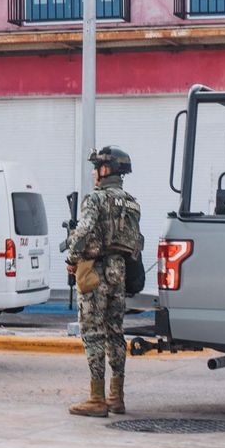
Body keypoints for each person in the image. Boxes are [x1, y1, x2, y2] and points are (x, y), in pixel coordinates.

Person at [64, 146, 143, 418]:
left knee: (93, 332)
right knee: (115, 332)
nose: (94, 173)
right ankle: (116, 397)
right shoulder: (132, 203)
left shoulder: (95, 199)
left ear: (106, 170)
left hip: (94, 272)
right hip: (118, 272)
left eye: (97, 167)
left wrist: (72, 257)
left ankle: (96, 398)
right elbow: (135, 242)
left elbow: (83, 231)